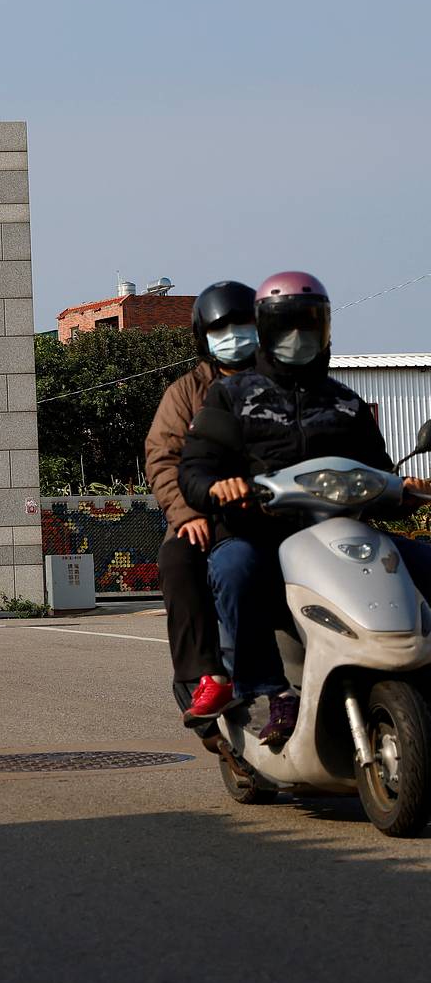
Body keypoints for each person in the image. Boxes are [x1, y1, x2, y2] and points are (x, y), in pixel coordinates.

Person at [179, 271, 431, 744]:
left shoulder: (347, 404)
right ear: (264, 330)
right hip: (262, 533)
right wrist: (219, 488)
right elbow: (194, 470)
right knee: (234, 568)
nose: (298, 337)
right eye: (285, 325)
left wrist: (405, 489)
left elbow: (379, 473)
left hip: (344, 534)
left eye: (309, 324)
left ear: (327, 329)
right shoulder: (229, 396)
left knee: (424, 560)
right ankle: (274, 691)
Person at [145, 281, 257, 728]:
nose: (234, 335)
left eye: (242, 325)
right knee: (177, 559)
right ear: (204, 337)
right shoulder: (186, 392)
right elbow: (162, 458)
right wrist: (186, 513)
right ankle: (204, 675)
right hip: (207, 517)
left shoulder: (287, 384)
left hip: (282, 511)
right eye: (222, 328)